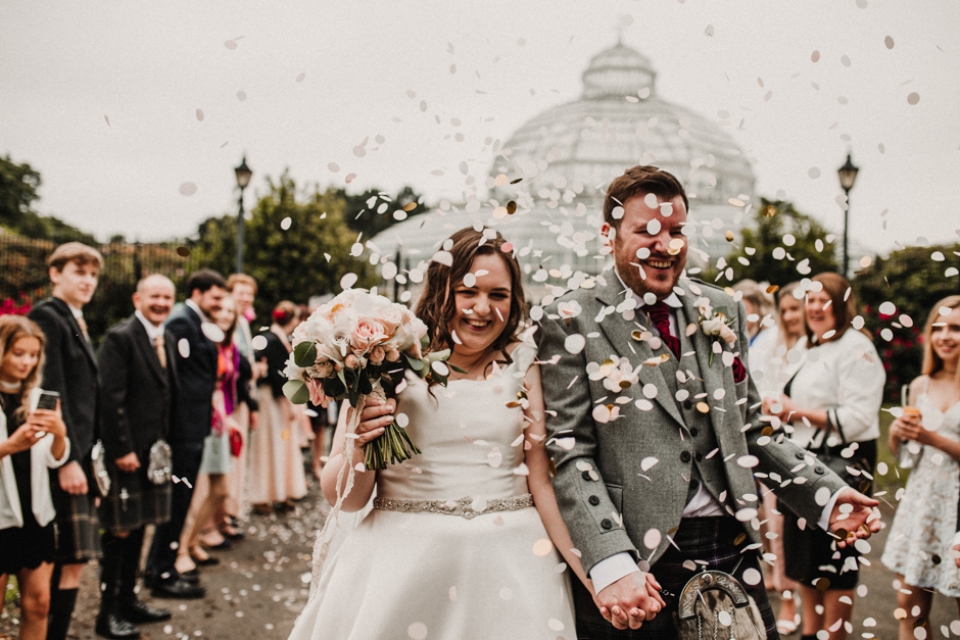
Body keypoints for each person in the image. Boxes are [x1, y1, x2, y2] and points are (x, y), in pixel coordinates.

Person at [537, 165, 881, 639]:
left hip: (731, 546)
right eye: (647, 231)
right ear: (608, 234)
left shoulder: (721, 309)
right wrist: (612, 562)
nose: (666, 245)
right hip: (634, 558)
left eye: (676, 231)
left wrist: (827, 495)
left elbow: (753, 429)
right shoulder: (570, 318)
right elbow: (568, 451)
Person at [287, 226, 583, 639]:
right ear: (442, 289)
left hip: (514, 566)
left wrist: (595, 578)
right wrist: (360, 445)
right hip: (402, 566)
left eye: (498, 295)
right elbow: (348, 500)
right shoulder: (387, 362)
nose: (483, 308)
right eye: (468, 292)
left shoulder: (524, 362)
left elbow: (542, 481)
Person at [764, 272, 885, 640]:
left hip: (843, 467)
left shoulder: (856, 348)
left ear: (842, 304)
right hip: (803, 465)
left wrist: (797, 411)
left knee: (834, 566)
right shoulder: (807, 345)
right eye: (811, 300)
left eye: (824, 300)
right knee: (804, 562)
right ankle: (809, 633)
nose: (815, 307)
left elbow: (861, 417)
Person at [26, 242, 103, 640]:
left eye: (92, 274)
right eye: (79, 271)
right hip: (60, 455)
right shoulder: (46, 316)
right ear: (55, 274)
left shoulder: (73, 317)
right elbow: (49, 391)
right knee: (63, 556)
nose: (88, 280)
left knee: (75, 558)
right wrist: (69, 459)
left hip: (80, 451)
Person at [96, 274, 179, 639]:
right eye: (154, 296)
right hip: (128, 455)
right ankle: (107, 612)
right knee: (119, 532)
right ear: (137, 299)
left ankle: (129, 601)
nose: (161, 302)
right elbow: (109, 398)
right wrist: (122, 449)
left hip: (154, 455)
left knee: (142, 527)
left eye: (167, 297)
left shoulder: (167, 337)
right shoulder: (121, 337)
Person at [881, 295, 960, 640]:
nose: (945, 336)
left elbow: (930, 441)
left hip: (957, 506)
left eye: (955, 328)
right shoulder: (920, 386)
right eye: (938, 328)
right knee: (909, 604)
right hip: (922, 499)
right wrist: (898, 436)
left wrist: (932, 438)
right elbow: (908, 459)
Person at [146, 269, 226, 599]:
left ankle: (162, 564)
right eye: (216, 297)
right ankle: (161, 570)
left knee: (180, 500)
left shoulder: (195, 322)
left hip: (194, 425)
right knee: (175, 502)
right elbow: (178, 380)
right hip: (182, 429)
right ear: (197, 293)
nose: (220, 304)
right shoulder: (182, 323)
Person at [0, 316, 70, 640]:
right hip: (1, 517)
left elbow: (55, 458)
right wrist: (9, 447)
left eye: (32, 355)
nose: (26, 362)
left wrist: (59, 435)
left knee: (40, 604)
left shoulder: (38, 397)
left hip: (36, 514)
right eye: (18, 353)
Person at [176, 296, 248, 573]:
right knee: (190, 488)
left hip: (219, 418)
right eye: (220, 309)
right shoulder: (203, 342)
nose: (226, 315)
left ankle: (191, 541)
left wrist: (228, 418)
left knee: (221, 490)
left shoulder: (228, 346)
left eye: (231, 311)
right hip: (202, 418)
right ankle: (183, 547)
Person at [758, 282, 807, 635]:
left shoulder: (817, 348)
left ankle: (812, 600)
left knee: (808, 531)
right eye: (785, 309)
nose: (791, 316)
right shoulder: (772, 347)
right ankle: (787, 597)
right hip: (775, 444)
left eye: (796, 308)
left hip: (808, 445)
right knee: (777, 528)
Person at [249, 301, 307, 514]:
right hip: (272, 400)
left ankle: (280, 492)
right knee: (271, 444)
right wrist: (288, 405)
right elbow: (276, 376)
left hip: (277, 397)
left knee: (281, 444)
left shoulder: (271, 338)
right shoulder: (272, 341)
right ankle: (265, 495)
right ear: (293, 320)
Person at [223, 274, 259, 534]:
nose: (246, 298)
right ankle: (224, 514)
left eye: (250, 294)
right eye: (241, 293)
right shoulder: (229, 321)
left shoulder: (243, 322)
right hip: (232, 399)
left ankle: (230, 512)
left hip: (243, 397)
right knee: (231, 457)